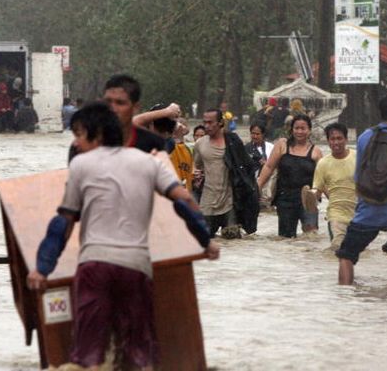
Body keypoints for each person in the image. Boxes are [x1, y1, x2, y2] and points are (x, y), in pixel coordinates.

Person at [27, 102, 219, 370]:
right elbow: (184, 201)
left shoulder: (81, 165)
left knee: (87, 355)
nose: (76, 144)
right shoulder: (150, 163)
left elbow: (63, 222)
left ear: (98, 134)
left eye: (79, 135)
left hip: (94, 266)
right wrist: (206, 241)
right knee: (139, 354)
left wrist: (43, 267)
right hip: (135, 267)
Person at [336, 94, 387, 285]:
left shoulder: (365, 137)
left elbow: (358, 175)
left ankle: (344, 300)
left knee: (346, 255)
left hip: (368, 209)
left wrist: (362, 207)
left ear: (379, 113)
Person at [68, 74, 165, 162]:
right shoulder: (82, 146)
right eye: (108, 101)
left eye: (120, 103)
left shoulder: (154, 144)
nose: (112, 109)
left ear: (135, 108)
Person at [194, 108, 259, 238]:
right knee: (203, 239)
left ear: (220, 122)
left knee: (233, 240)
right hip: (208, 201)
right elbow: (196, 166)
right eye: (205, 122)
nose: (207, 126)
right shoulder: (200, 144)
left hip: (230, 202)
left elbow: (247, 167)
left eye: (210, 122)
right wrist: (195, 175)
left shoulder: (233, 142)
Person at [258, 114, 323, 238]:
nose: (299, 131)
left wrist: (326, 196)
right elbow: (269, 167)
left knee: (312, 237)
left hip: (308, 200)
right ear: (291, 129)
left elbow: (324, 178)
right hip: (285, 199)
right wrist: (259, 186)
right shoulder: (282, 145)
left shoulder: (316, 152)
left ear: (309, 130)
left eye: (303, 128)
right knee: (285, 238)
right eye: (296, 128)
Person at [312, 123, 356, 251]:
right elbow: (317, 189)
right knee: (338, 249)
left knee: (360, 253)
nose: (336, 142)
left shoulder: (358, 158)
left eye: (339, 138)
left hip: (359, 215)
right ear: (328, 141)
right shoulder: (323, 163)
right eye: (332, 139)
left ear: (346, 139)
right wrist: (310, 195)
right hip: (336, 215)